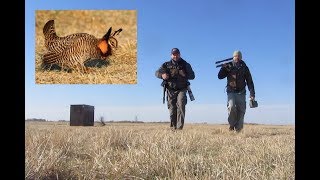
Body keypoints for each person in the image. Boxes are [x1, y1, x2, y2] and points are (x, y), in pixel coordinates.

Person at [155, 48, 195, 130]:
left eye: (177, 54)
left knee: (181, 104)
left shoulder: (185, 64)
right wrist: (162, 75)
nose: (175, 56)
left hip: (182, 89)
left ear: (179, 54)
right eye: (174, 54)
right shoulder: (166, 65)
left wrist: (185, 75)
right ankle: (173, 128)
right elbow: (156, 73)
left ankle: (179, 128)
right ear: (171, 55)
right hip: (170, 89)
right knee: (172, 109)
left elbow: (192, 76)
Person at [218, 50, 255, 132]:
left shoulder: (245, 67)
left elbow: (249, 81)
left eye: (238, 56)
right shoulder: (229, 65)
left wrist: (252, 94)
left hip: (241, 92)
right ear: (233, 57)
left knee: (241, 111)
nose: (237, 57)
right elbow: (220, 76)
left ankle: (238, 129)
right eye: (235, 56)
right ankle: (232, 125)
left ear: (241, 57)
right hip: (231, 91)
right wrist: (223, 68)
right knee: (231, 107)